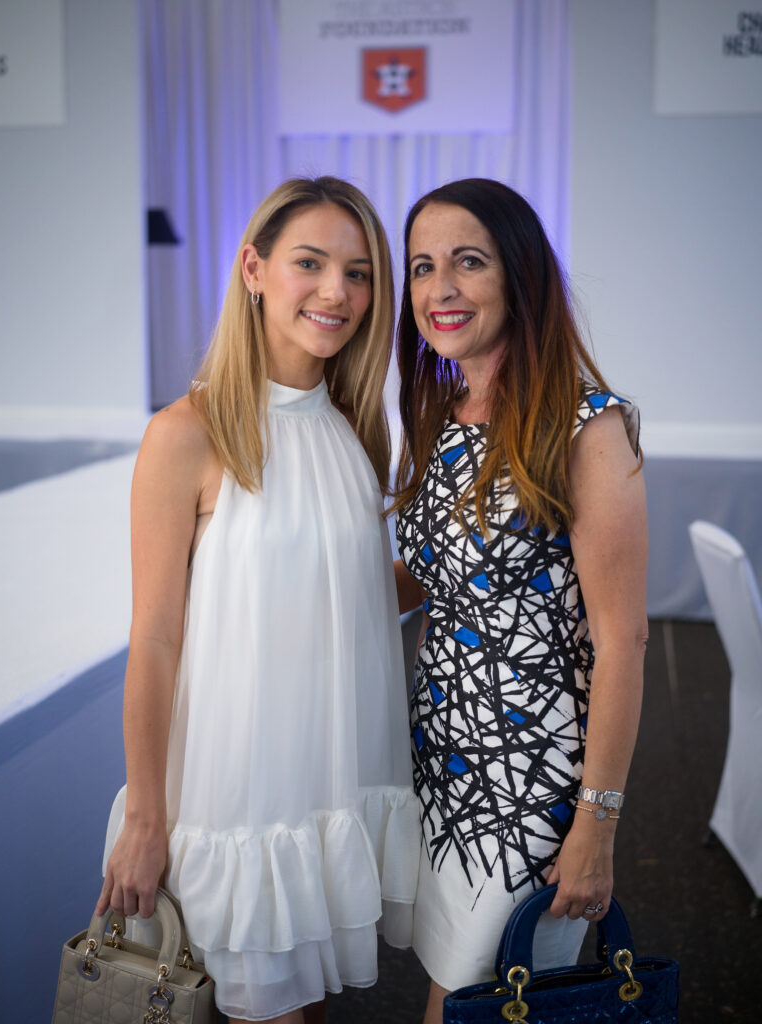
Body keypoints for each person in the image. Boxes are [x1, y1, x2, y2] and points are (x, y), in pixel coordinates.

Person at [96, 176, 420, 1024]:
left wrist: (470, 557)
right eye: (309, 263)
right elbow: (157, 639)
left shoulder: (351, 427)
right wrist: (144, 815)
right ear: (253, 268)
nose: (336, 292)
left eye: (359, 274)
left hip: (325, 779)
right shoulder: (187, 434)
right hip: (237, 797)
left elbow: (342, 600)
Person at [391, 178, 647, 1024]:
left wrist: (596, 826)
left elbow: (624, 643)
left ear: (521, 273)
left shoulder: (585, 425)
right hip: (446, 763)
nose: (440, 289)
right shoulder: (444, 411)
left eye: (469, 261)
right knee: (454, 993)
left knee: (481, 1002)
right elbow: (439, 575)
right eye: (423, 266)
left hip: (533, 784)